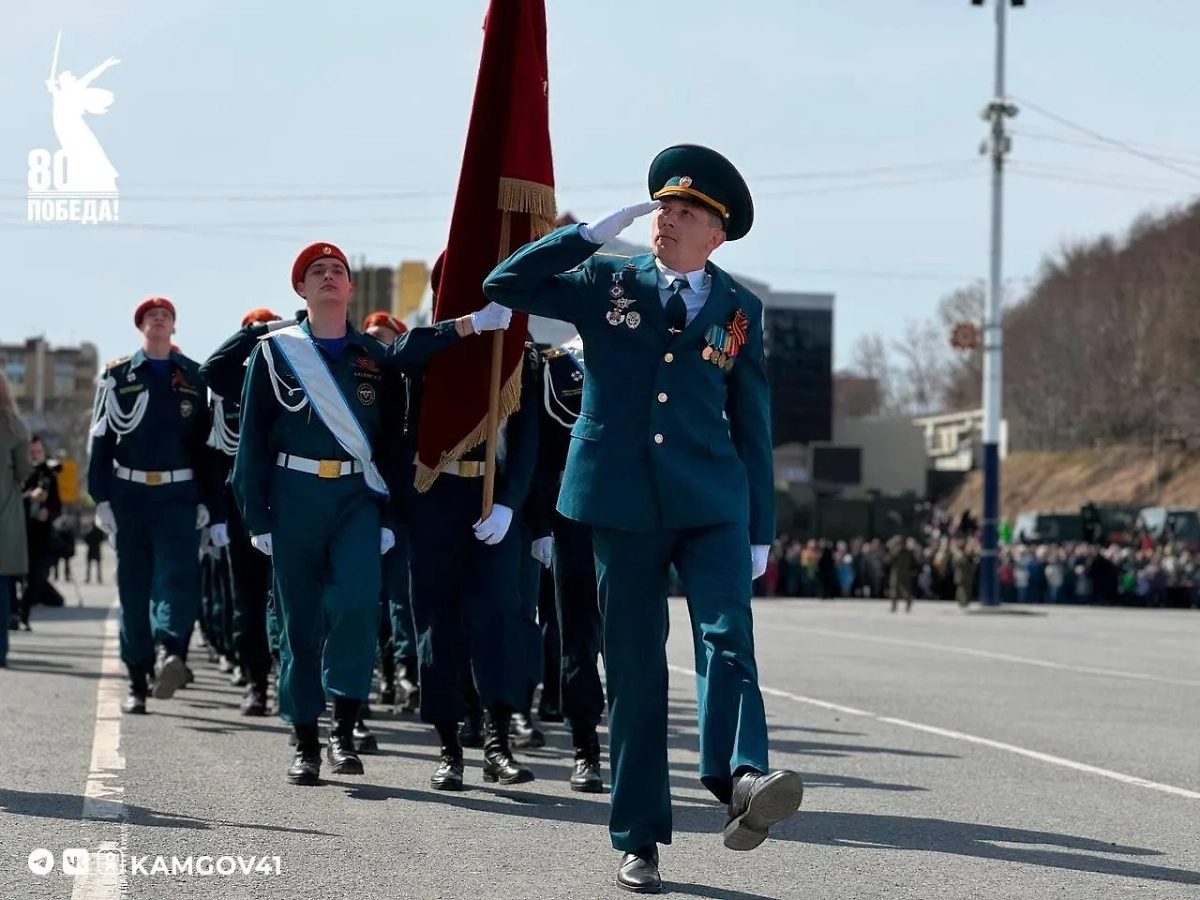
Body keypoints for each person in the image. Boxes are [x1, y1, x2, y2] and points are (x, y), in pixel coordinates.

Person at [483, 144, 803, 893]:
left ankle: (741, 775)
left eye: (686, 210)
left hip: (713, 500)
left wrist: (762, 525)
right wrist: (586, 233)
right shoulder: (604, 279)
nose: (667, 217)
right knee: (633, 668)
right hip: (621, 500)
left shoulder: (739, 308)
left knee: (729, 637)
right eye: (662, 205)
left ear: (717, 235)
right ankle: (638, 838)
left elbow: (752, 421)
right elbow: (506, 282)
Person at [232, 241, 511, 786]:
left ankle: (344, 726)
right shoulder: (275, 354)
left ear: (351, 287)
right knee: (300, 618)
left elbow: (396, 412)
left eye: (338, 270)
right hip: (293, 496)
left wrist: (473, 323)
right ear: (302, 289)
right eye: (318, 271)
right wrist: (256, 515)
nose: (330, 276)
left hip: (357, 499)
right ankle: (306, 739)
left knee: (360, 605)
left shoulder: (371, 356)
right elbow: (252, 443)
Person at [87, 297, 218, 713]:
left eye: (166, 315)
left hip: (178, 496)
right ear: (141, 327)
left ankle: (170, 652)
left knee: (177, 581)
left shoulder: (195, 377)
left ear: (174, 328)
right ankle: (137, 680)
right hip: (130, 496)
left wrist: (208, 502)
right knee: (135, 586)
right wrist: (101, 498)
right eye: (150, 315)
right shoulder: (117, 375)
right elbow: (101, 441)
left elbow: (207, 449)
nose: (158, 319)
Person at [200, 307, 284, 716]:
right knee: (248, 600)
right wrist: (260, 331)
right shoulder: (237, 386)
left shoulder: (293, 377)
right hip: (244, 508)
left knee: (292, 597)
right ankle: (255, 683)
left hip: (291, 501)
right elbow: (211, 367)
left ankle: (290, 677)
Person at [361, 311, 419, 715]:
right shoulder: (359, 384)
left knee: (401, 594)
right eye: (371, 340)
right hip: (362, 500)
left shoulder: (412, 381)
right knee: (368, 595)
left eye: (385, 339)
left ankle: (403, 673)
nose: (377, 347)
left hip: (402, 502)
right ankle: (378, 670)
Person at [0, 373, 33, 666]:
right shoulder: (13, 426)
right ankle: (0, 650)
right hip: (4, 510)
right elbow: (24, 471)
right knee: (1, 587)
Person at [20, 435, 63, 629]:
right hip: (21, 534)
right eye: (32, 452)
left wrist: (49, 512)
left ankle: (23, 613)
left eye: (39, 452)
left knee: (36, 578)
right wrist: (29, 497)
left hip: (42, 537)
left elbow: (57, 505)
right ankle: (15, 613)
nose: (36, 456)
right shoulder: (20, 473)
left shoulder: (48, 475)